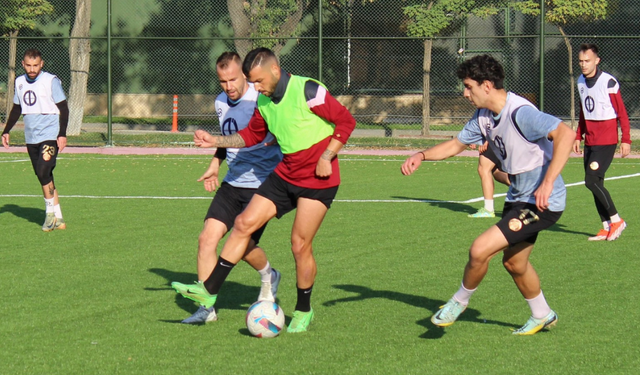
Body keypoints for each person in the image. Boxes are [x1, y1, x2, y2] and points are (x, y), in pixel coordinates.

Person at [172, 47, 356, 333]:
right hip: (285, 174)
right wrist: (214, 141)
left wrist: (327, 156)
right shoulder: (264, 101)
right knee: (243, 224)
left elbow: (346, 121)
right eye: (252, 83)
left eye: (258, 82)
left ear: (275, 70)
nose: (255, 88)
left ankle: (303, 310)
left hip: (318, 179)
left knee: (299, 244)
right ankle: (208, 292)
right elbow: (249, 135)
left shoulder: (307, 89)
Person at [401, 54, 575, 335]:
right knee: (515, 263)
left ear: (487, 85)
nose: (464, 92)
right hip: (519, 197)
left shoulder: (520, 113)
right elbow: (455, 145)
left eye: (469, 86)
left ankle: (459, 301)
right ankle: (543, 314)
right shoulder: (483, 117)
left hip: (542, 201)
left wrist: (548, 182)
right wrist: (421, 155)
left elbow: (566, 133)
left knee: (479, 249)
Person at [178, 52, 284, 324]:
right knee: (206, 239)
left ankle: (268, 276)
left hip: (262, 186)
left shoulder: (262, 99)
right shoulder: (220, 101)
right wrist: (216, 161)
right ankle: (206, 309)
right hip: (231, 183)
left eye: (233, 79)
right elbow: (229, 137)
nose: (228, 86)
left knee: (243, 246)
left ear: (245, 75)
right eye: (223, 81)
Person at [2, 48, 68, 231]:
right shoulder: (20, 82)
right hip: (31, 137)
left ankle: (49, 216)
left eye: (35, 65)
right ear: (23, 64)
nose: (32, 69)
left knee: (43, 169)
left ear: (41, 64)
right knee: (44, 176)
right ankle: (59, 217)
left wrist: (62, 134)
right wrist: (6, 131)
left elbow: (64, 108)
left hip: (50, 135)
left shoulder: (50, 81)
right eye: (29, 66)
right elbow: (17, 108)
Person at [574, 43, 630, 241]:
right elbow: (583, 111)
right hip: (590, 139)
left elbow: (622, 113)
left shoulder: (609, 82)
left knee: (590, 180)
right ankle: (606, 226)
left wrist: (626, 139)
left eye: (587, 60)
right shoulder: (580, 81)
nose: (583, 64)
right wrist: (578, 135)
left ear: (597, 61)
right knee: (596, 182)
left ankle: (616, 220)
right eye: (580, 61)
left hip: (606, 140)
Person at [468, 142, 510, 218]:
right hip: (501, 138)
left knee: (484, 169)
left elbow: (490, 129)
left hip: (493, 139)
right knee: (496, 172)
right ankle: (528, 190)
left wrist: (485, 141)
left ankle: (488, 209)